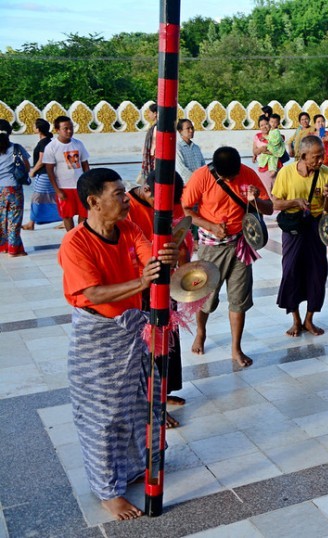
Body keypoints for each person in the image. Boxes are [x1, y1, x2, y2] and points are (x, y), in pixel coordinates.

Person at [58, 167, 179, 520]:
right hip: (98, 338)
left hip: (131, 330)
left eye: (126, 193)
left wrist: (165, 260)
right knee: (104, 416)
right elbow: (92, 293)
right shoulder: (75, 243)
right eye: (118, 194)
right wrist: (142, 283)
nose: (127, 200)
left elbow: (149, 259)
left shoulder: (128, 228)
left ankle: (133, 468)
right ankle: (107, 492)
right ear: (94, 202)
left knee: (138, 407)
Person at [182, 146, 274, 367]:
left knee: (239, 298)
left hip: (241, 244)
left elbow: (269, 209)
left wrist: (255, 200)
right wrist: (211, 226)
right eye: (227, 177)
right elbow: (186, 209)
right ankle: (201, 332)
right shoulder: (202, 176)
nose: (232, 179)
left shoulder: (248, 174)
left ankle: (236, 348)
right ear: (217, 170)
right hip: (211, 246)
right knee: (206, 296)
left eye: (234, 175)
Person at [126, 171, 189, 425]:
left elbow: (181, 232)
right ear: (148, 191)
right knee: (149, 345)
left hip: (166, 281)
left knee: (167, 339)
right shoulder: (127, 210)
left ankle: (164, 391)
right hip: (141, 286)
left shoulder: (169, 201)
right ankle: (153, 405)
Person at [272, 135, 328, 337]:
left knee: (317, 273)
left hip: (316, 226)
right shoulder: (286, 173)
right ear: (303, 155)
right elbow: (275, 203)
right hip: (293, 227)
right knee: (291, 270)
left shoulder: (326, 174)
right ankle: (296, 319)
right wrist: (295, 202)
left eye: (322, 156)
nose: (320, 161)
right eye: (316, 157)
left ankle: (309, 319)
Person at [42, 115, 90, 231]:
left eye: (71, 128)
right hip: (64, 187)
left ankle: (80, 235)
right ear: (57, 130)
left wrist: (89, 184)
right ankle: (71, 238)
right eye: (65, 129)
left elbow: (85, 164)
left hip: (80, 186)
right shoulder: (51, 147)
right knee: (67, 216)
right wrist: (57, 190)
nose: (69, 131)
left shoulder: (78, 144)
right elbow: (49, 170)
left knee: (84, 213)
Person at [22, 119, 60, 230]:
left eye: (34, 126)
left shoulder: (44, 142)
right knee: (51, 197)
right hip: (48, 174)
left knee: (37, 198)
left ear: (38, 129)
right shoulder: (49, 141)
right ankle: (63, 218)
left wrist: (33, 171)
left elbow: (42, 159)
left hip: (44, 174)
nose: (33, 127)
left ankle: (31, 223)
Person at [0, 119, 31, 256]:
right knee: (14, 219)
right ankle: (14, 248)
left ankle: (3, 246)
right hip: (13, 188)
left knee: (1, 219)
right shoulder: (15, 149)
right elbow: (26, 166)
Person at [253, 114, 285, 194]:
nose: (264, 127)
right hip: (263, 167)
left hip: (276, 166)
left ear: (270, 124)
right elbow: (254, 151)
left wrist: (267, 151)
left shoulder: (276, 135)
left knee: (278, 191)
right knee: (266, 191)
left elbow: (279, 150)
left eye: (266, 124)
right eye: (261, 125)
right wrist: (260, 150)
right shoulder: (257, 136)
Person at [175, 119, 205, 184]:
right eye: (188, 128)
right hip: (186, 184)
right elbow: (181, 169)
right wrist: (196, 180)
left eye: (192, 128)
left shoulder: (196, 148)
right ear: (180, 131)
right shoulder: (177, 148)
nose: (191, 131)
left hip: (200, 184)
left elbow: (203, 166)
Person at [140, 103, 158, 182]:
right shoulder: (154, 127)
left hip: (155, 157)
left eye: (149, 112)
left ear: (155, 113)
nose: (148, 114)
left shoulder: (157, 127)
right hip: (152, 156)